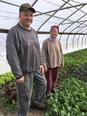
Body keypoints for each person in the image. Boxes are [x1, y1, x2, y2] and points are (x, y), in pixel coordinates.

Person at [6, 3, 47, 116]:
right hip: (25, 71)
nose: (29, 18)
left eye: (31, 15)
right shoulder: (14, 32)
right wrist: (18, 74)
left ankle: (37, 101)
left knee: (43, 83)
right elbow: (12, 54)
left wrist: (41, 63)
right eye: (26, 15)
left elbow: (38, 50)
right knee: (24, 97)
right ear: (20, 16)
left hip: (36, 67)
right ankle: (22, 114)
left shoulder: (33, 32)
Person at [42, 25, 64, 96]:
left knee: (55, 77)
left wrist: (62, 62)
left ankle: (53, 88)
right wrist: (44, 64)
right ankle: (48, 90)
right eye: (52, 31)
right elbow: (43, 54)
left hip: (57, 63)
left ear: (58, 33)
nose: (54, 33)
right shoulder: (46, 42)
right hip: (49, 64)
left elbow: (61, 52)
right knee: (49, 78)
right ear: (50, 32)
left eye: (56, 32)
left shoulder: (58, 42)